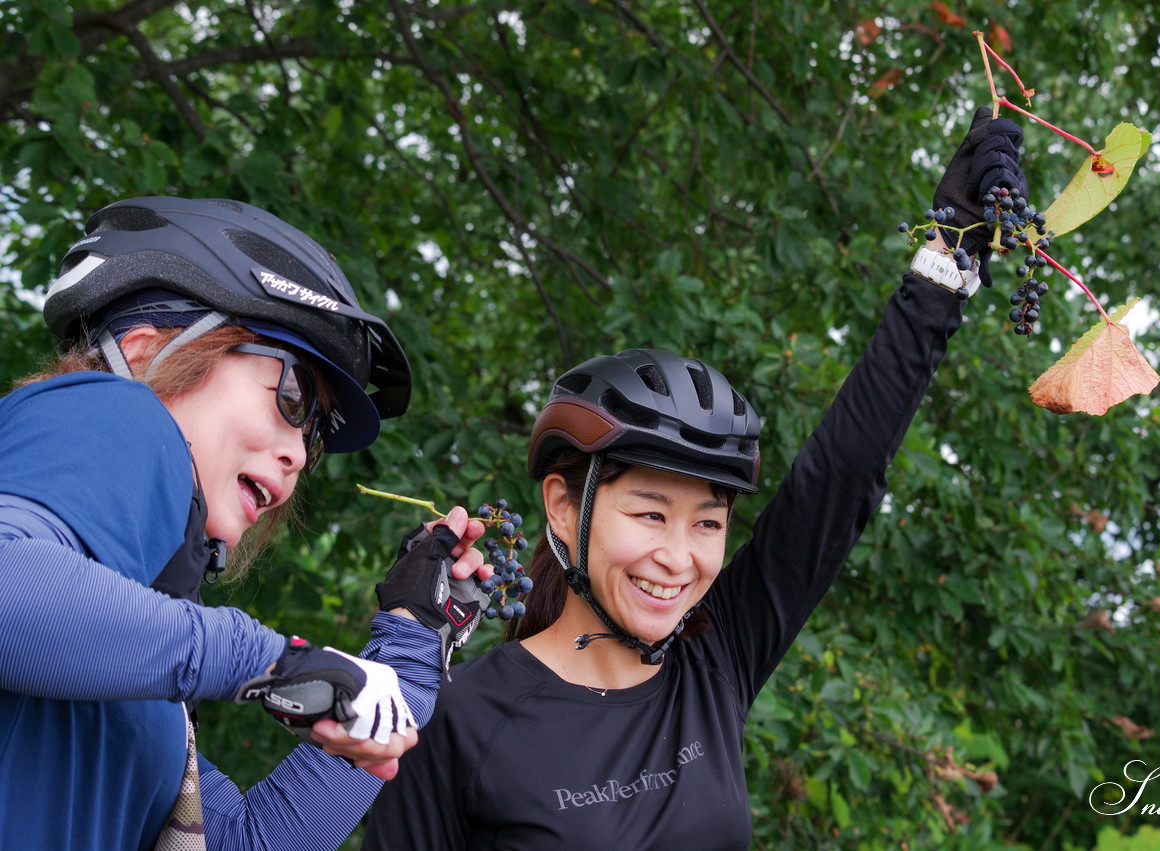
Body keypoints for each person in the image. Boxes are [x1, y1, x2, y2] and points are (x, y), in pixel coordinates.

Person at [361, 107, 1027, 849]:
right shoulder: (459, 715)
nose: (680, 557)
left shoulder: (714, 659)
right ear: (561, 505)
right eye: (650, 513)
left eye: (707, 522)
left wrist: (950, 256)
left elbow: (843, 475)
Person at [0, 196, 486, 851]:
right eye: (292, 395)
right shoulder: (119, 410)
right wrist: (269, 661)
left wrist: (412, 653)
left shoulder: (140, 680)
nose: (298, 455)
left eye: (313, 436)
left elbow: (244, 843)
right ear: (147, 352)